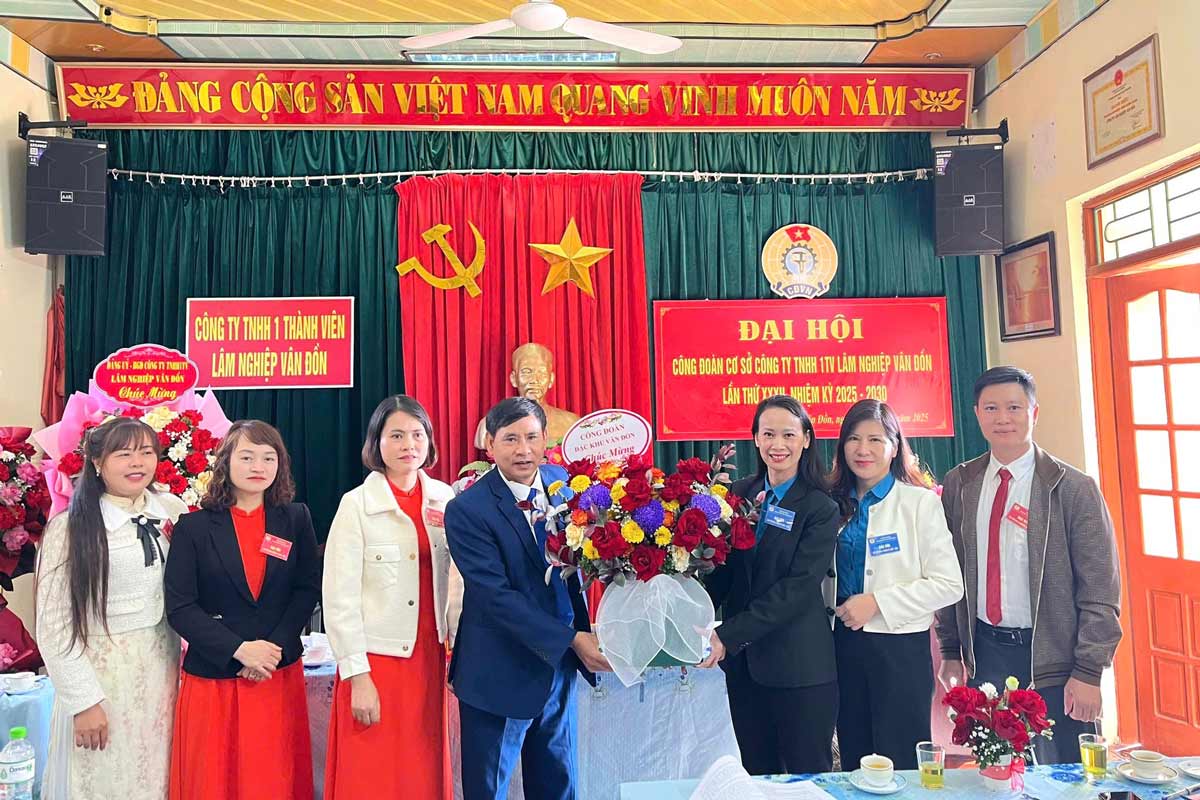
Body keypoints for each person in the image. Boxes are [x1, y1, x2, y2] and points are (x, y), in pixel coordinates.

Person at [935, 366, 1121, 763]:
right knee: (998, 770)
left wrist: (1089, 671)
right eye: (991, 408)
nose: (1002, 418)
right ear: (977, 414)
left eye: (1014, 407)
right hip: (985, 655)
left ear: (1034, 413)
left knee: (1065, 774)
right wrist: (951, 649)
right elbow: (948, 573)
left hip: (1055, 660)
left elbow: (1100, 590)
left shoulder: (1073, 488)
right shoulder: (960, 484)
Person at [447, 397, 608, 800]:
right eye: (511, 439)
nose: (523, 450)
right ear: (490, 443)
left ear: (545, 440)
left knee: (558, 784)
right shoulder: (467, 509)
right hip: (497, 671)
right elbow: (495, 596)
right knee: (489, 790)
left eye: (532, 438)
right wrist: (571, 639)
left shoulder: (565, 484)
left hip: (557, 669)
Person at [164, 420, 320, 800]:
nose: (258, 466)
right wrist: (239, 650)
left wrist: (270, 650)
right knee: (214, 780)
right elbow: (180, 607)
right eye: (247, 457)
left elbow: (306, 590)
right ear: (226, 462)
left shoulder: (295, 519)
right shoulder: (193, 527)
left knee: (274, 778)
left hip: (275, 673)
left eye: (269, 457)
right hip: (215, 677)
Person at [36, 416, 189, 800]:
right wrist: (83, 701)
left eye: (146, 452)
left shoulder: (172, 510)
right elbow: (54, 625)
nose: (137, 463)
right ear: (97, 462)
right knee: (108, 780)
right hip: (104, 682)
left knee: (159, 775)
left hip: (164, 676)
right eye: (123, 454)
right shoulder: (70, 528)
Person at [322, 395, 463, 800]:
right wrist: (357, 675)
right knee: (371, 775)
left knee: (422, 769)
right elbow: (339, 597)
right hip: (376, 663)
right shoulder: (356, 505)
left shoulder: (445, 499)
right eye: (396, 435)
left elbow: (459, 581)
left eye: (417, 435)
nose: (408, 445)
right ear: (376, 442)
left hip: (430, 659)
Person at [700, 395, 841, 774]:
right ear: (755, 439)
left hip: (800, 670)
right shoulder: (738, 494)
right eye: (768, 434)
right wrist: (687, 608)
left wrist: (728, 635)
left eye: (789, 435)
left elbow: (797, 589)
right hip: (745, 670)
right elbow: (723, 570)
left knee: (805, 782)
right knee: (758, 776)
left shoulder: (820, 507)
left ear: (806, 439)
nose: (778, 444)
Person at [828, 399, 963, 771]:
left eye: (875, 439)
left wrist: (877, 602)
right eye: (854, 439)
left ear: (894, 446)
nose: (863, 449)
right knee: (855, 756)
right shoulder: (830, 505)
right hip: (841, 645)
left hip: (899, 650)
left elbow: (949, 584)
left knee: (901, 759)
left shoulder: (919, 503)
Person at [473, 343, 580, 449]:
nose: (534, 380)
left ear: (551, 379)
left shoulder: (571, 423)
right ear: (514, 379)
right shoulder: (490, 424)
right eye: (526, 372)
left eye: (541, 373)